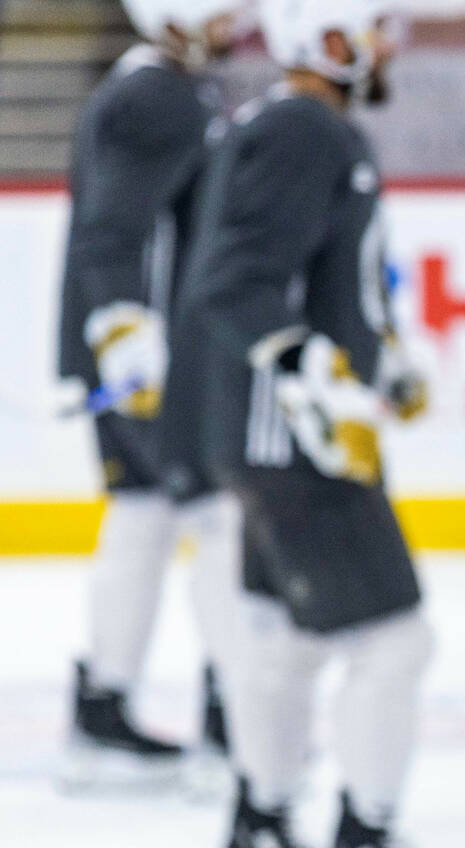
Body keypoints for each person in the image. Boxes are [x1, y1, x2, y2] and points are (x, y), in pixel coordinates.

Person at [178, 0, 465, 848]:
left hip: (275, 433)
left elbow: (306, 277)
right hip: (294, 439)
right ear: (325, 36)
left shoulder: (292, 125)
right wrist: (313, 376)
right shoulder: (305, 127)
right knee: (394, 640)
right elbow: (232, 279)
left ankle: (262, 833)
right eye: (372, 26)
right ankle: (361, 846)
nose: (387, 45)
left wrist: (382, 363)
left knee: (295, 642)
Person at [57, 0, 245, 791]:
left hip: (134, 354)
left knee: (143, 514)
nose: (237, 22)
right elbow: (113, 231)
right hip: (155, 362)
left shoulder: (149, 88)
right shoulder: (158, 97)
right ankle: (234, 711)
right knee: (217, 517)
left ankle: (105, 701)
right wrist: (130, 336)